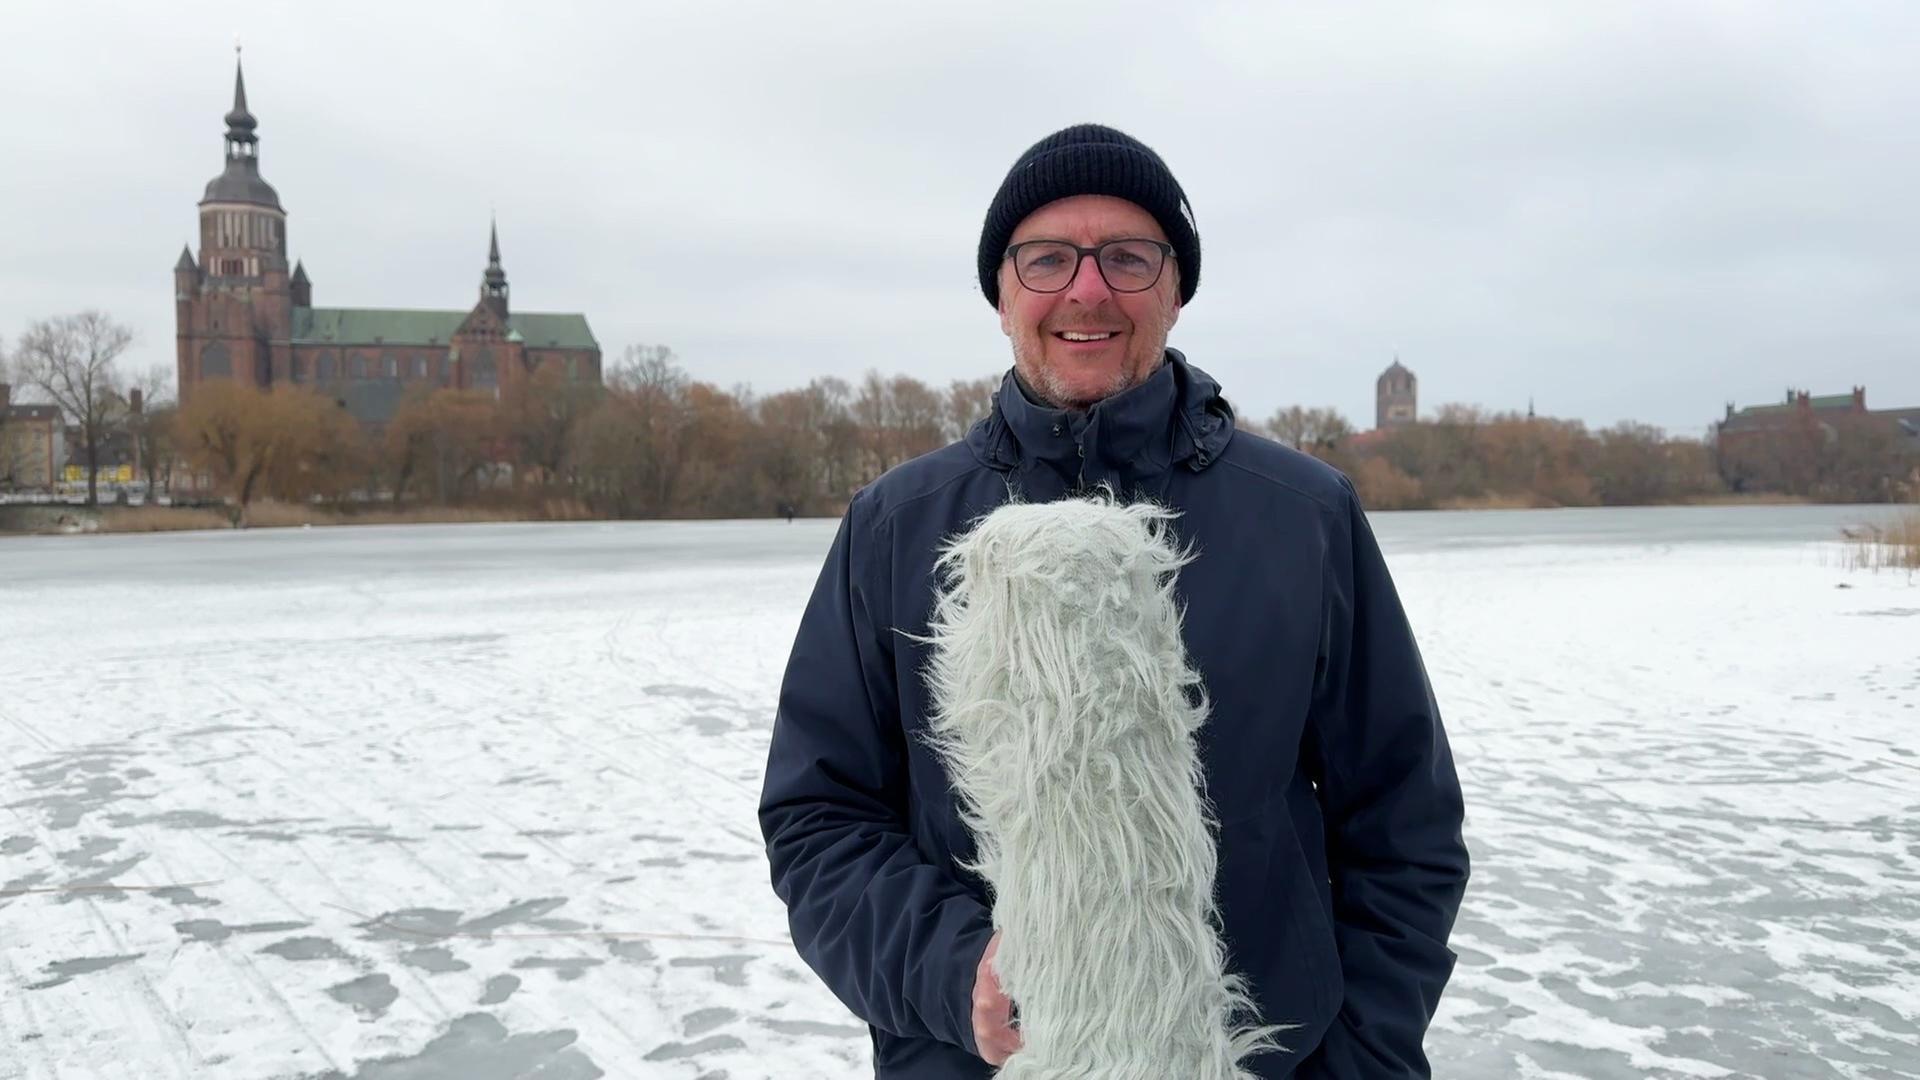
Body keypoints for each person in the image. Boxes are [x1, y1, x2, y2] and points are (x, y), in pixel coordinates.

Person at [758, 123, 1469, 1079]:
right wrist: (950, 971)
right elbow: (820, 818)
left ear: (1175, 291)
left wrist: (1366, 1057)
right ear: (1002, 294)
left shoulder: (1303, 514)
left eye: (1129, 258)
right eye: (1047, 258)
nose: (1087, 290)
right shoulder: (896, 523)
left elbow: (1402, 823)